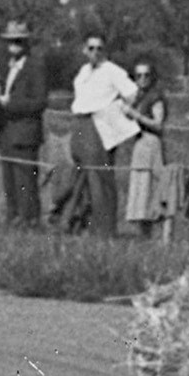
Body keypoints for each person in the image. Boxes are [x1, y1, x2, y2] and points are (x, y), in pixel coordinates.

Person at [53, 35, 137, 235]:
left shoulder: (112, 70)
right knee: (77, 176)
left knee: (99, 178)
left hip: (97, 125)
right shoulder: (84, 71)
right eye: (91, 48)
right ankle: (73, 222)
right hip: (79, 123)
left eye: (100, 48)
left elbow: (133, 93)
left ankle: (105, 230)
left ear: (105, 50)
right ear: (85, 50)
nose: (95, 52)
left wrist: (115, 113)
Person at [0, 21, 47, 226]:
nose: (13, 46)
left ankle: (29, 221)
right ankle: (13, 218)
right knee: (9, 181)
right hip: (6, 132)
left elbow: (40, 102)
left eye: (18, 41)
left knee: (25, 181)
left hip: (25, 133)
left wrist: (11, 104)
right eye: (10, 42)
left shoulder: (35, 66)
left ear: (26, 43)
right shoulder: (6, 66)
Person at [123, 59, 167, 238]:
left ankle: (151, 234)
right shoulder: (138, 96)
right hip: (139, 144)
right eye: (138, 75)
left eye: (146, 75)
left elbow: (158, 124)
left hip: (150, 143)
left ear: (152, 77)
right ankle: (142, 235)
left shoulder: (155, 97)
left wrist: (136, 116)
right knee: (139, 188)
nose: (142, 79)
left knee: (149, 188)